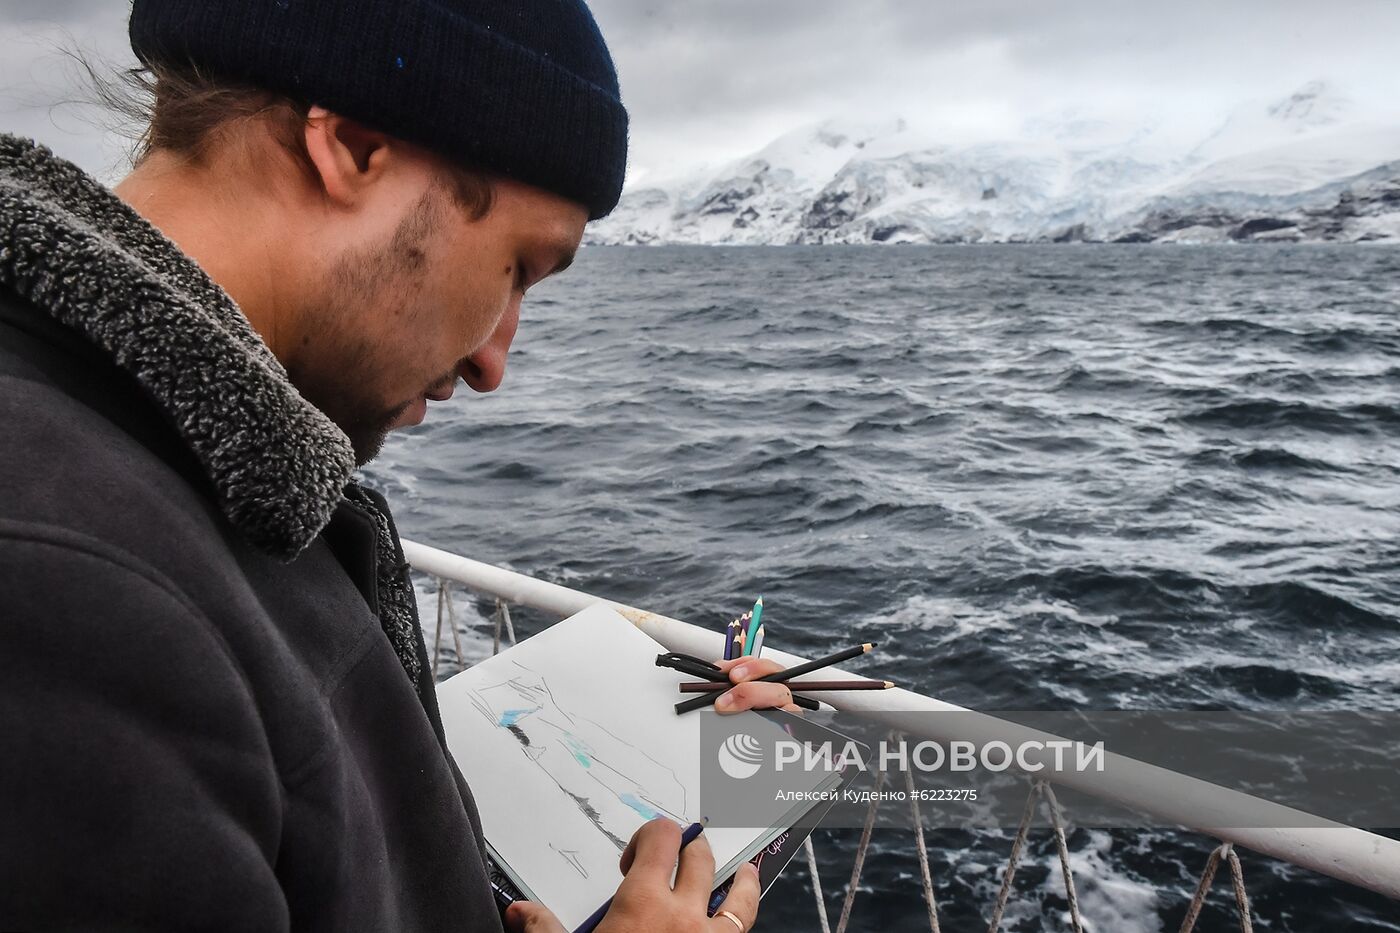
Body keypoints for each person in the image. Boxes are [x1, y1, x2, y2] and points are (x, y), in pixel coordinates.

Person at [0, 1, 801, 930]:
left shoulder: (194, 474)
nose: (495, 362)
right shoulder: (63, 588)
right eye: (518, 269)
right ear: (353, 144)